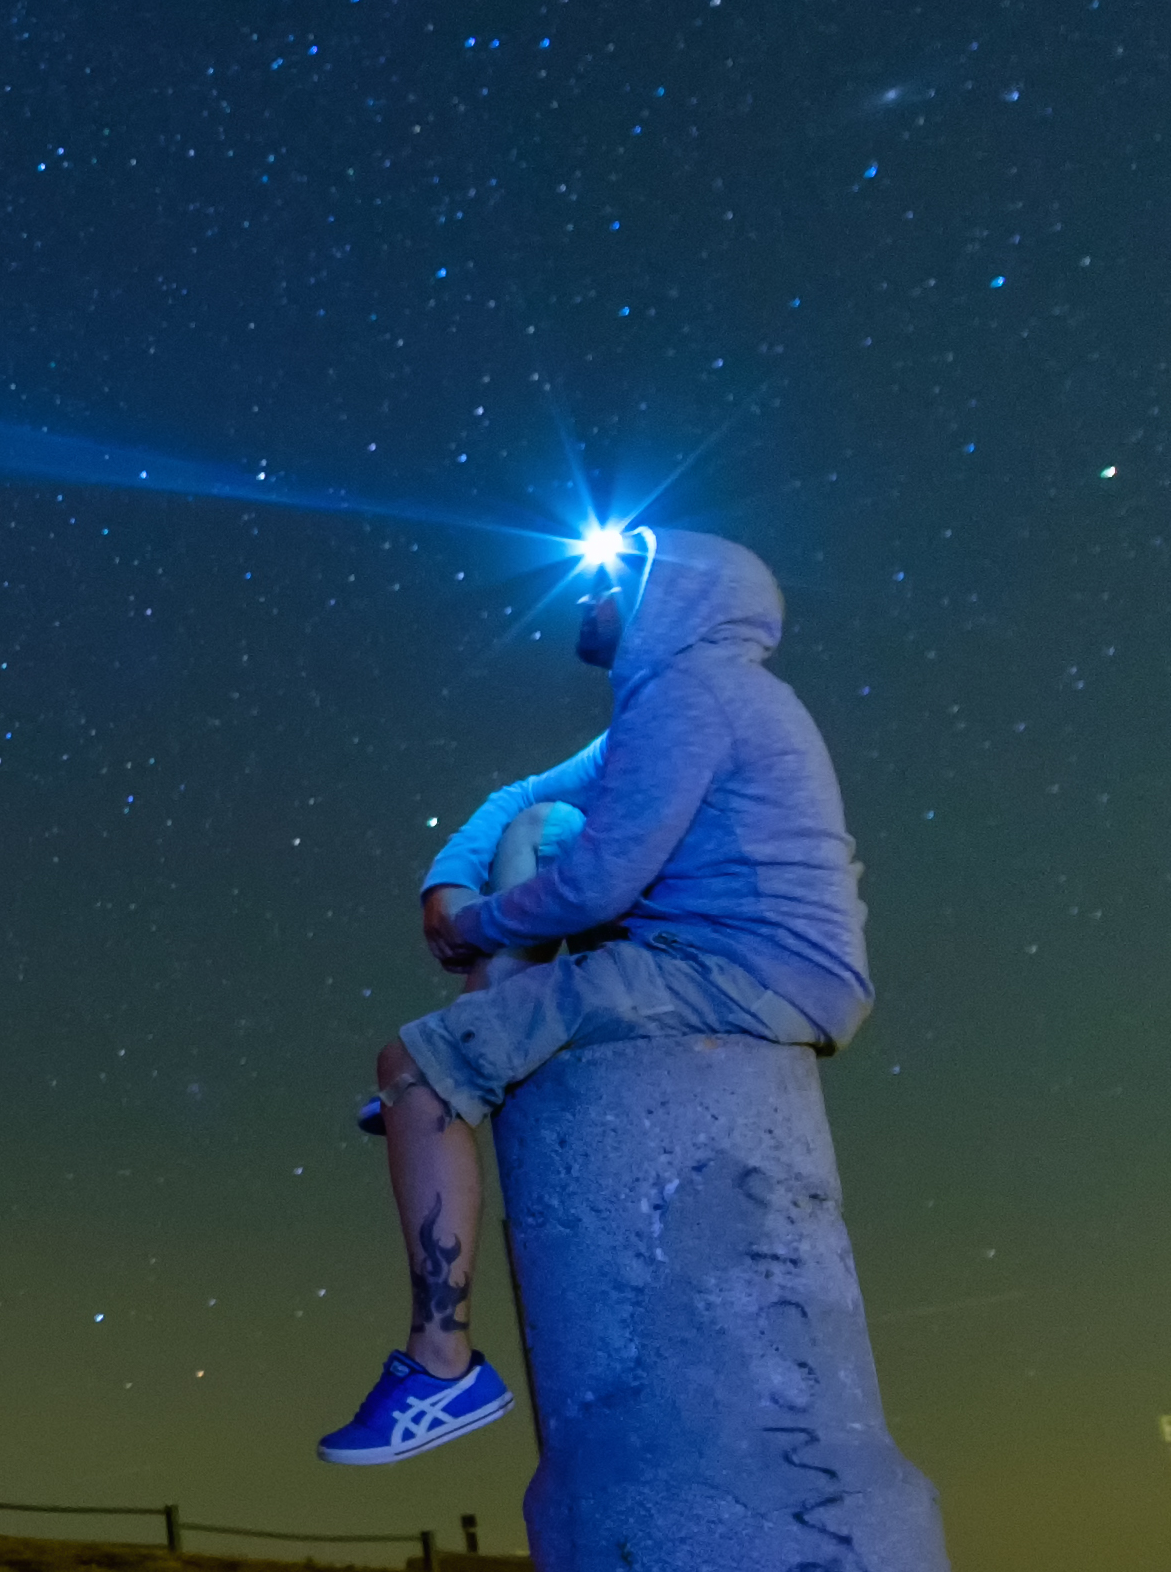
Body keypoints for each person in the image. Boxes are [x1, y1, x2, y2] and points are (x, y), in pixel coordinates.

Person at [313, 527, 875, 1466]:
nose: (591, 597)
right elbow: (520, 798)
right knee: (549, 820)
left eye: (618, 581)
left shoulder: (691, 697)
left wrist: (474, 926)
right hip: (740, 961)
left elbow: (599, 887)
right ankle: (477, 1054)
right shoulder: (677, 701)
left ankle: (443, 1369)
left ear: (677, 600)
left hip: (739, 972)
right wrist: (446, 885)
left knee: (411, 1064)